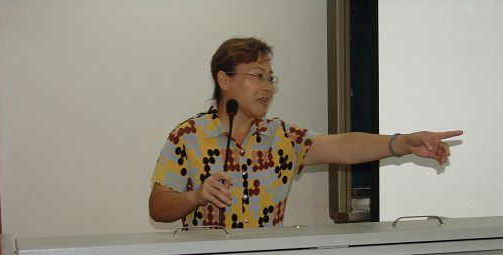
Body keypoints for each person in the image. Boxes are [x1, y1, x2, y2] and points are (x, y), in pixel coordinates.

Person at [149, 37, 462, 229]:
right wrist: (195, 196)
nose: (267, 87)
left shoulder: (281, 138)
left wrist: (403, 142)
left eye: (271, 78)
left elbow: (343, 146)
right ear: (224, 80)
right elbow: (158, 208)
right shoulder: (188, 136)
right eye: (257, 76)